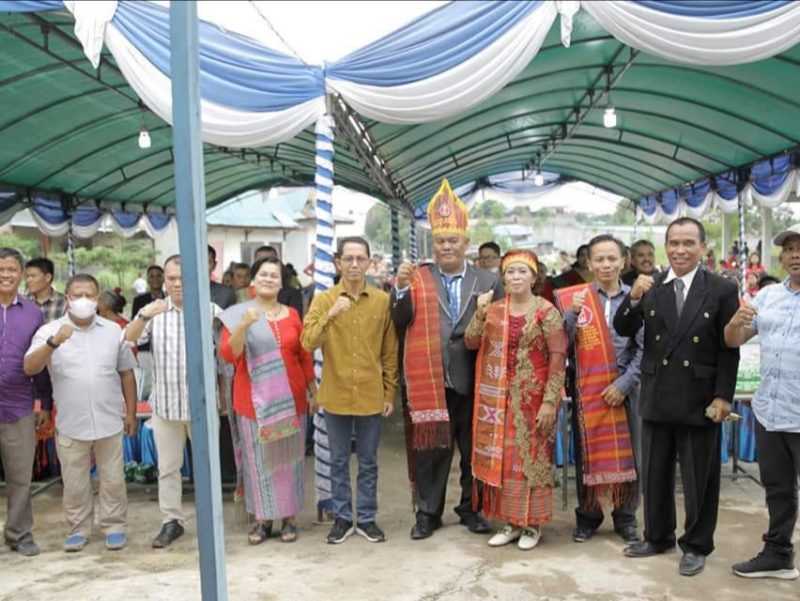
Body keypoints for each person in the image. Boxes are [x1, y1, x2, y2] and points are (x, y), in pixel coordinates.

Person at [614, 217, 740, 577]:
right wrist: (633, 297)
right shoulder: (650, 286)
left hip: (700, 396)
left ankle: (696, 544)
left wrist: (723, 397)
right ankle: (657, 536)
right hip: (656, 392)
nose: (680, 250)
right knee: (654, 472)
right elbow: (624, 328)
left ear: (702, 247)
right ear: (665, 246)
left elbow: (729, 349)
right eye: (673, 243)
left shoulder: (720, 288)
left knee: (700, 476)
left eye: (688, 243)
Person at [391, 179, 502, 540]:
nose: (447, 246)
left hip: (475, 378)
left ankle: (472, 509)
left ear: (466, 243)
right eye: (440, 241)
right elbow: (400, 320)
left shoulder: (488, 279)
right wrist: (401, 289)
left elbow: (501, 326)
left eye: (453, 240)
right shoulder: (418, 278)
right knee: (431, 450)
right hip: (431, 379)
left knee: (474, 449)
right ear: (433, 244)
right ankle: (428, 512)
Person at [24, 274, 137, 553]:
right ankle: (78, 529)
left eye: (89, 294)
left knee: (112, 478)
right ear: (68, 299)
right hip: (71, 421)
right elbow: (30, 367)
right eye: (77, 295)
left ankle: (114, 526)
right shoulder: (49, 330)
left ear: (97, 299)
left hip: (109, 418)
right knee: (74, 480)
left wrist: (131, 412)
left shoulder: (113, 331)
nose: (83, 300)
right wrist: (53, 343)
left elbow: (126, 373)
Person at [464, 250, 567, 550]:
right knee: (505, 463)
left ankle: (531, 525)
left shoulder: (546, 312)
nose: (516, 277)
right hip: (497, 401)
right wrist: (480, 313)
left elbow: (558, 357)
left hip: (535, 401)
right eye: (511, 272)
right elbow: (471, 341)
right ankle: (510, 522)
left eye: (523, 272)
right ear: (504, 278)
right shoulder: (494, 310)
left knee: (531, 461)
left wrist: (550, 401)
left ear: (534, 277)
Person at [302, 236, 398, 544]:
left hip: (371, 393)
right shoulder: (325, 300)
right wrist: (330, 316)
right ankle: (343, 518)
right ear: (338, 263)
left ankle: (367, 518)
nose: (355, 264)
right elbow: (307, 342)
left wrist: (389, 392)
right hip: (336, 393)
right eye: (349, 258)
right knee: (338, 461)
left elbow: (389, 352)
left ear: (370, 263)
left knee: (368, 461)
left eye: (361, 258)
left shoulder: (382, 300)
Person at [124, 255, 222, 548]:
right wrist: (143, 316)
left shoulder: (211, 311)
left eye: (183, 278)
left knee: (208, 467)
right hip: (165, 406)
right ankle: (171, 521)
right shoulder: (153, 312)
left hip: (202, 406)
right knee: (168, 467)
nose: (177, 284)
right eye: (171, 279)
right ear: (164, 281)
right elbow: (127, 338)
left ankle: (210, 522)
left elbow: (227, 354)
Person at [219, 257, 316, 544]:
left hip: (292, 399)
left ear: (281, 282)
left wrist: (314, 389)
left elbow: (303, 356)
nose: (268, 279)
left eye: (274, 275)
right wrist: (244, 327)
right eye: (263, 274)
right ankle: (263, 520)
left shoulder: (292, 315)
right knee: (259, 462)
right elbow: (229, 354)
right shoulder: (238, 314)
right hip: (253, 403)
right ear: (253, 279)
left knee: (289, 459)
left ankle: (289, 519)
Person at [724, 226, 800, 580]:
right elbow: (733, 339)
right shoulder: (768, 296)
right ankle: (778, 554)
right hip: (771, 412)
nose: (795, 255)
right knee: (779, 489)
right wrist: (735, 324)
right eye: (789, 249)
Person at [557, 235, 642, 545]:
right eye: (599, 260)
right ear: (588, 263)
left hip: (627, 389)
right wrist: (572, 315)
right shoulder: (574, 299)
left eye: (612, 259)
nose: (606, 265)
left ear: (623, 261)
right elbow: (559, 345)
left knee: (632, 455)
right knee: (587, 456)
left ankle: (626, 516)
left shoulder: (637, 298)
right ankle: (589, 515)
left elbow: (645, 349)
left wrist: (624, 383)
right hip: (587, 389)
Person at [0, 247, 52, 557]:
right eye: (0, 268)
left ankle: (19, 534)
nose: (5, 274)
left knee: (20, 475)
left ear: (22, 275)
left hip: (19, 405)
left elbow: (40, 360)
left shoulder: (33, 313)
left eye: (11, 269)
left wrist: (44, 402)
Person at [130, 264, 165, 400]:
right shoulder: (139, 300)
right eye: (152, 276)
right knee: (145, 386)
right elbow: (136, 323)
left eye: (158, 276)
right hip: (145, 349)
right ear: (148, 280)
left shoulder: (168, 299)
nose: (155, 279)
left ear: (163, 279)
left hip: (164, 347)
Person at [251, 246, 304, 318]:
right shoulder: (245, 293)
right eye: (261, 261)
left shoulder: (292, 294)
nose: (266, 265)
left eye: (270, 261)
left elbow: (294, 324)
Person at [25, 257, 67, 323]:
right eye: (27, 276)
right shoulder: (23, 302)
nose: (28, 280)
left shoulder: (64, 302)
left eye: (33, 276)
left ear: (48, 277)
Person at [208, 245, 237, 310]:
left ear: (214, 265)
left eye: (208, 262)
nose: (202, 266)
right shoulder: (181, 290)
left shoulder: (226, 294)